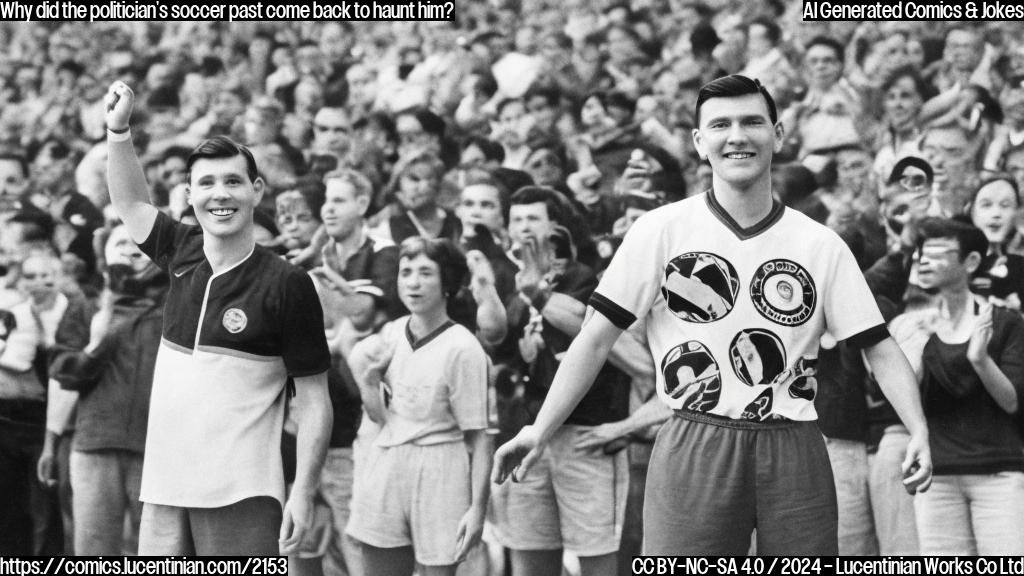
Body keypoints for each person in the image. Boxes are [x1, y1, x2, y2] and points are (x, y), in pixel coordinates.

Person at [492, 75, 933, 555]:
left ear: (779, 135)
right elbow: (596, 338)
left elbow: (879, 346)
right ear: (700, 143)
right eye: (720, 124)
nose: (737, 135)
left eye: (752, 122)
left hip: (793, 443)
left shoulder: (820, 243)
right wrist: (541, 428)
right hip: (694, 437)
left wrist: (919, 428)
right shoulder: (660, 229)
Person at [104, 81, 332, 556]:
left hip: (241, 490)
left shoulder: (288, 283)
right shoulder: (181, 249)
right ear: (189, 195)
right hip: (165, 485)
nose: (219, 194)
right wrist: (119, 129)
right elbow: (129, 203)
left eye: (232, 181)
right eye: (206, 183)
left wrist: (304, 491)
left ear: (256, 190)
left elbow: (314, 401)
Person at [346, 237, 492, 576]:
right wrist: (368, 385)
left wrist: (477, 509)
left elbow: (480, 437)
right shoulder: (392, 333)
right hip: (386, 462)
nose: (413, 282)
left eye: (425, 273)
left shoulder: (463, 348)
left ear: (447, 284)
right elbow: (379, 416)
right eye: (406, 271)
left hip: (441, 466)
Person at [901, 217, 1024, 555]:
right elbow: (904, 403)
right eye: (923, 253)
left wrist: (980, 358)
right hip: (936, 474)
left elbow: (1012, 401)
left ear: (970, 262)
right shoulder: (914, 325)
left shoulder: (1003, 322)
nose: (925, 260)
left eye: (939, 252)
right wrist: (912, 348)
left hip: (998, 471)